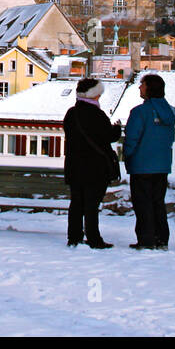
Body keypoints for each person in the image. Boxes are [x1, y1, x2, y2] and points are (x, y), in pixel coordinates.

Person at [62, 78, 121, 249]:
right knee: (91, 205)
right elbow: (108, 137)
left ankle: (74, 237)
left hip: (74, 166)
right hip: (95, 167)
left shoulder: (71, 113)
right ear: (94, 95)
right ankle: (94, 238)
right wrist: (117, 129)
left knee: (76, 203)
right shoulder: (97, 114)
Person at [123, 73, 175, 250]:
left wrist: (127, 156)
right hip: (162, 166)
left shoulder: (140, 112)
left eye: (142, 85)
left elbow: (132, 138)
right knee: (158, 203)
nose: (139, 87)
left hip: (141, 165)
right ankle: (161, 239)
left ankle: (146, 240)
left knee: (143, 204)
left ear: (149, 88)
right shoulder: (170, 112)